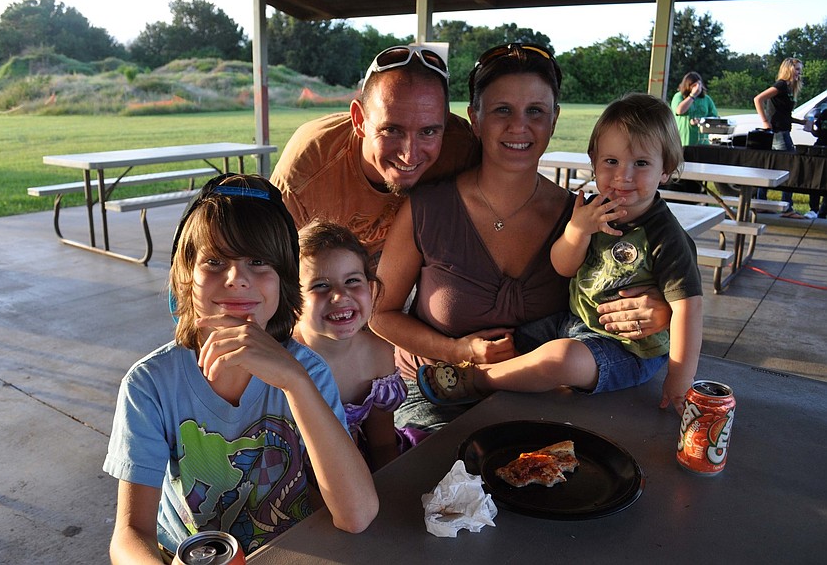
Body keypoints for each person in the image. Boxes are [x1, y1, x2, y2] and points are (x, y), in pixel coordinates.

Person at [370, 43, 673, 431]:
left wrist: (660, 310)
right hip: (435, 395)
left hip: (545, 400)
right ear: (474, 119)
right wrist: (456, 351)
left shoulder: (583, 217)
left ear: (554, 119)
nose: (519, 126)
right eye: (502, 110)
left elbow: (651, 278)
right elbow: (381, 313)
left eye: (535, 111)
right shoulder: (428, 207)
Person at [103, 174, 378, 563]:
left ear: (284, 280)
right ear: (186, 275)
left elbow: (357, 515)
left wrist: (294, 382)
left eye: (258, 261)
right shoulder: (150, 385)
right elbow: (131, 533)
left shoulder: (308, 373)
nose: (237, 279)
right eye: (214, 261)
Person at [413, 93, 702, 415]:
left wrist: (679, 379)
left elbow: (689, 311)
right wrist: (577, 231)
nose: (624, 176)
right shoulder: (591, 210)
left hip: (627, 348)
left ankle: (479, 381)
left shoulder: (665, 236)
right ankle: (480, 380)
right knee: (512, 340)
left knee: (561, 359)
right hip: (573, 322)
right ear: (593, 161)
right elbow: (563, 267)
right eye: (611, 162)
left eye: (642, 164)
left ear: (667, 169)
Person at [270, 44, 481, 263]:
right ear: (359, 120)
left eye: (428, 131)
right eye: (391, 130)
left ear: (445, 123)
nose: (410, 154)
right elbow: (273, 270)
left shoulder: (461, 147)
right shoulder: (308, 166)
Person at [295, 220, 427, 472]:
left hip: (355, 467)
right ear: (292, 298)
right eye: (320, 285)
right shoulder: (284, 359)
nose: (340, 295)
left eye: (353, 281)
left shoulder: (378, 355)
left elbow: (382, 445)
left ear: (370, 287)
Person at [753, 57, 806, 218]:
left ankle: (761, 202)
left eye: (800, 70)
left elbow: (783, 114)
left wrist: (801, 121)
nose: (799, 73)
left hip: (783, 131)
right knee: (788, 168)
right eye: (797, 69)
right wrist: (764, 121)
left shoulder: (789, 88)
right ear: (788, 69)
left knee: (770, 168)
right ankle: (787, 208)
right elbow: (758, 99)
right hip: (778, 134)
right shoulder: (781, 84)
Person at [671, 71, 719, 147]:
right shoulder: (679, 96)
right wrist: (692, 96)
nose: (698, 88)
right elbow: (679, 111)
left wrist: (702, 121)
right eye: (694, 85)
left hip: (702, 142)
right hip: (683, 142)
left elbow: (715, 117)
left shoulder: (706, 99)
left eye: (699, 84)